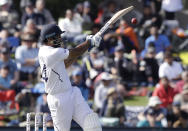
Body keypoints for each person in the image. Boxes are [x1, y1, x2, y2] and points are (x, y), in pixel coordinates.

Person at [38, 24, 102, 131]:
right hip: (59, 99)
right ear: (49, 38)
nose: (60, 39)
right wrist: (88, 43)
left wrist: (87, 46)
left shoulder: (50, 52)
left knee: (93, 125)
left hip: (71, 92)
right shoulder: (50, 52)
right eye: (58, 36)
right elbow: (73, 53)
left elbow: (65, 63)